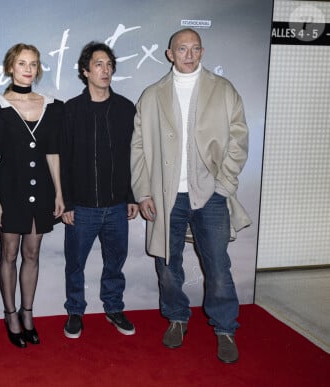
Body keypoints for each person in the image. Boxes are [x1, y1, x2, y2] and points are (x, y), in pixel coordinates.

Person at [130, 28, 251, 363]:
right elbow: (138, 149)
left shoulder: (223, 90)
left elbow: (239, 140)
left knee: (218, 266)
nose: (188, 54)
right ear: (169, 53)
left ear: (202, 51)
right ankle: (177, 319)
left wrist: (224, 185)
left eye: (195, 48)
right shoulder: (152, 95)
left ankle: (225, 327)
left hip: (211, 195)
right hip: (166, 195)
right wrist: (142, 193)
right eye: (181, 49)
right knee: (167, 265)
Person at [0, 43, 65, 348]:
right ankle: (10, 314)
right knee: (10, 254)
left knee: (32, 254)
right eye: (21, 63)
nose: (28, 69)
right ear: (10, 67)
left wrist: (59, 193)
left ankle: (27, 313)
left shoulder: (52, 105)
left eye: (33, 63)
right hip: (9, 191)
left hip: (41, 191)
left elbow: (53, 153)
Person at [61, 42, 139, 339]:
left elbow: (133, 156)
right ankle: (75, 312)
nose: (105, 69)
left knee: (115, 263)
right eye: (98, 64)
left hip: (118, 205)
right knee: (75, 264)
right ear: (85, 71)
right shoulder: (71, 110)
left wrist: (131, 195)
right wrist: (66, 202)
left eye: (108, 64)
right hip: (81, 207)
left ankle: (114, 308)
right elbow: (63, 160)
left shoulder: (125, 108)